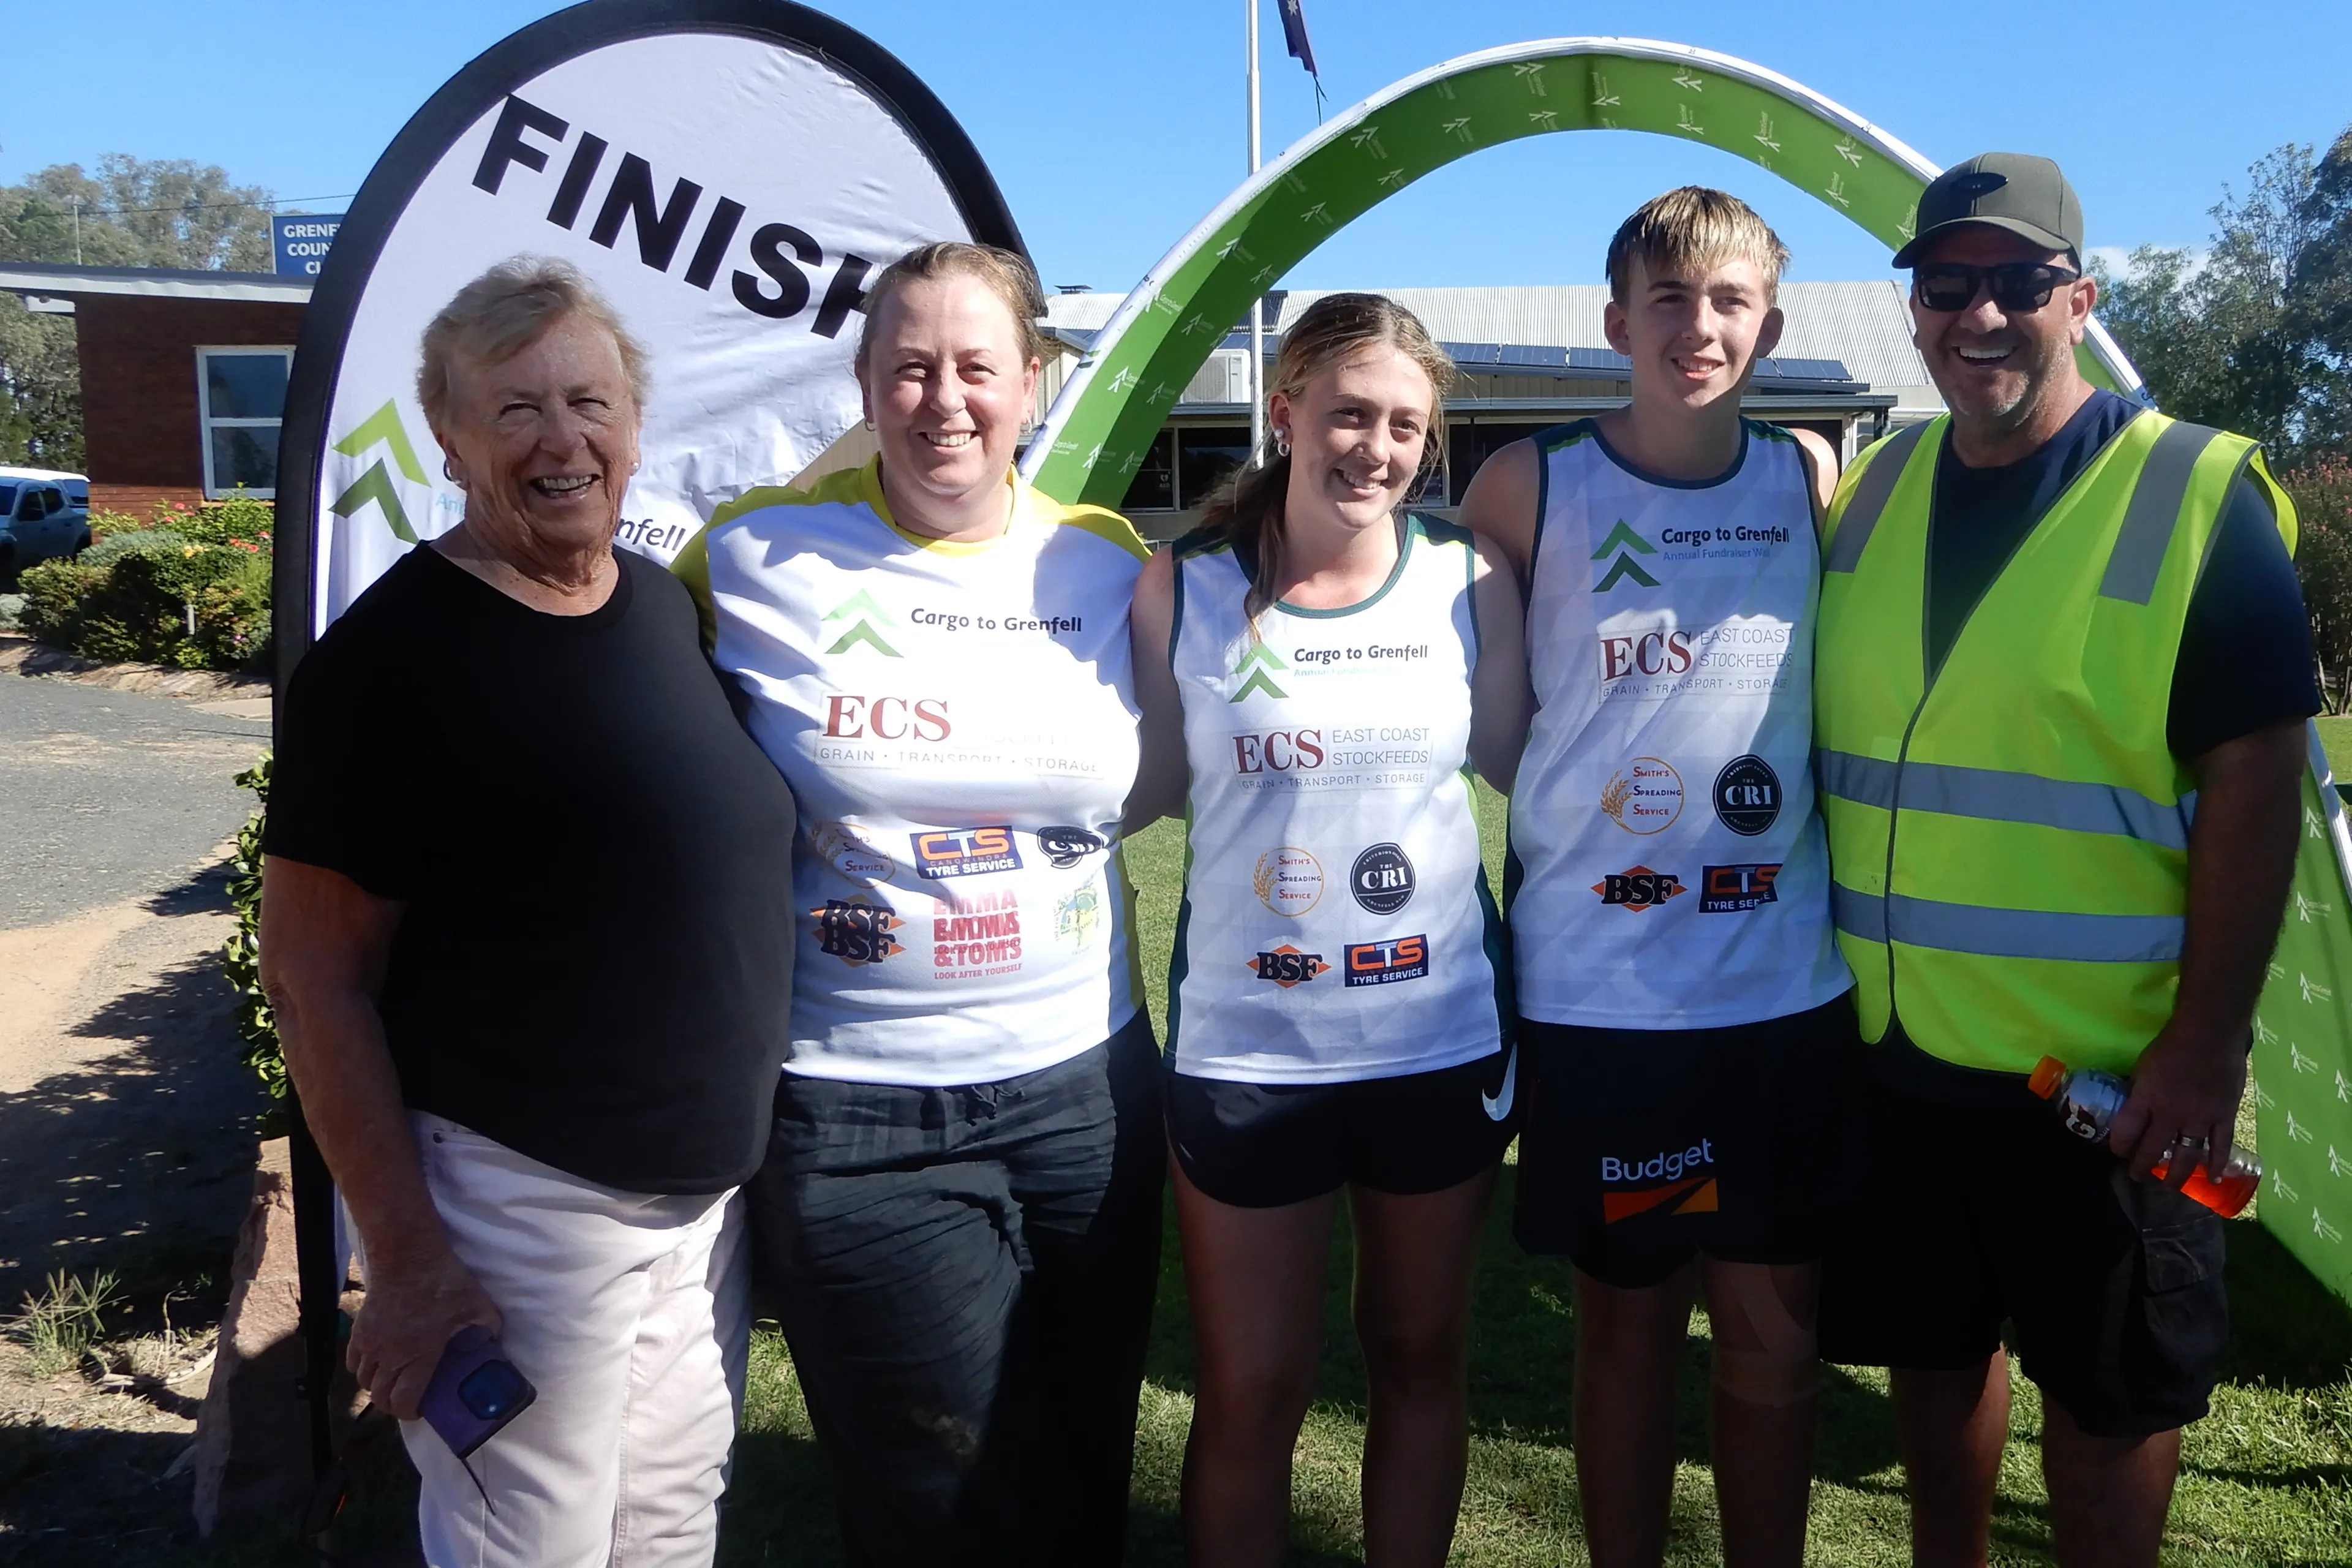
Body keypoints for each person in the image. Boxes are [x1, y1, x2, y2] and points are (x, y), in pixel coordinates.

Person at [1811, 153, 2316, 1568]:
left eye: (2018, 284)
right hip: (1900, 1050)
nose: (1981, 316)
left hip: (2107, 1079)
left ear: (2079, 300)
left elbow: (2257, 777)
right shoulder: (1876, 486)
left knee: (2110, 1392)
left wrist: (2207, 1048)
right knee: (1930, 1352)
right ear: (1913, 308)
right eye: (1948, 284)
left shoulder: (2196, 491)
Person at [259, 257, 800, 1566]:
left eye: (590, 402)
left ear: (634, 421)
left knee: (668, 1526)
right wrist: (409, 1254)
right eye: (515, 411)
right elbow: (312, 975)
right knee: (531, 1544)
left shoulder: (658, 609)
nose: (563, 440)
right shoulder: (385, 667)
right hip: (513, 1209)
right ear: (447, 437)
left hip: (690, 1208)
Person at [671, 241, 1161, 1567]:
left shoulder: (1112, 566)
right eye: (910, 367)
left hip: (1091, 1099)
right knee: (945, 1507)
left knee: (1081, 1466)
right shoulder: (754, 556)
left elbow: (1185, 763)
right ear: (867, 382)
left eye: (976, 367)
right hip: (856, 1111)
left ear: (1033, 384)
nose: (945, 399)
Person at [1456, 187, 1852, 1568]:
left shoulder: (1808, 472)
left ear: (1771, 323)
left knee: (1771, 1330)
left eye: (1729, 299)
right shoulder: (1530, 478)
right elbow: (1473, 710)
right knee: (1625, 1329)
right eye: (1670, 299)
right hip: (1607, 999)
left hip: (1782, 989)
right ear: (1616, 319)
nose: (1700, 325)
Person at [1129, 293, 1527, 1568]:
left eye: (1406, 424)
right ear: (1286, 411)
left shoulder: (1471, 580)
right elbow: (1126, 796)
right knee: (1254, 1390)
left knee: (1419, 1361)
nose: (1377, 446)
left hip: (1436, 1037)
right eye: (1351, 412)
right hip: (1249, 1052)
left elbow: (1540, 771)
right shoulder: (1181, 588)